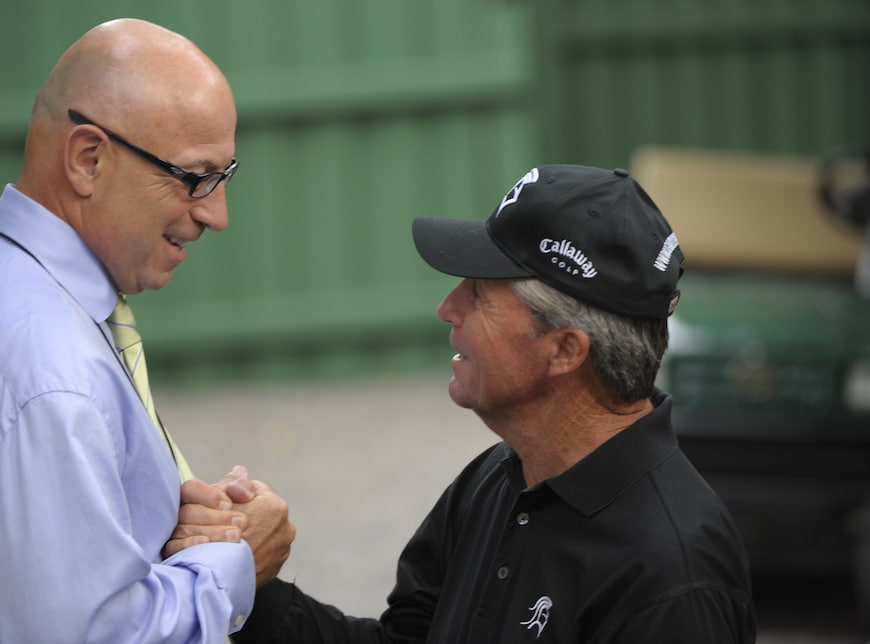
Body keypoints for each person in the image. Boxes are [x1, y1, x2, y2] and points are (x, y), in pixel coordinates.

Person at [178, 164, 757, 642]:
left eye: (478, 294)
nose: (447, 308)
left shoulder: (672, 582)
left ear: (564, 349)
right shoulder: (501, 479)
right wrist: (247, 584)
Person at [0, 18, 293, 643]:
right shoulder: (52, 381)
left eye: (226, 176)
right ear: (88, 159)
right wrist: (233, 563)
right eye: (195, 177)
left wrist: (167, 523)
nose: (215, 214)